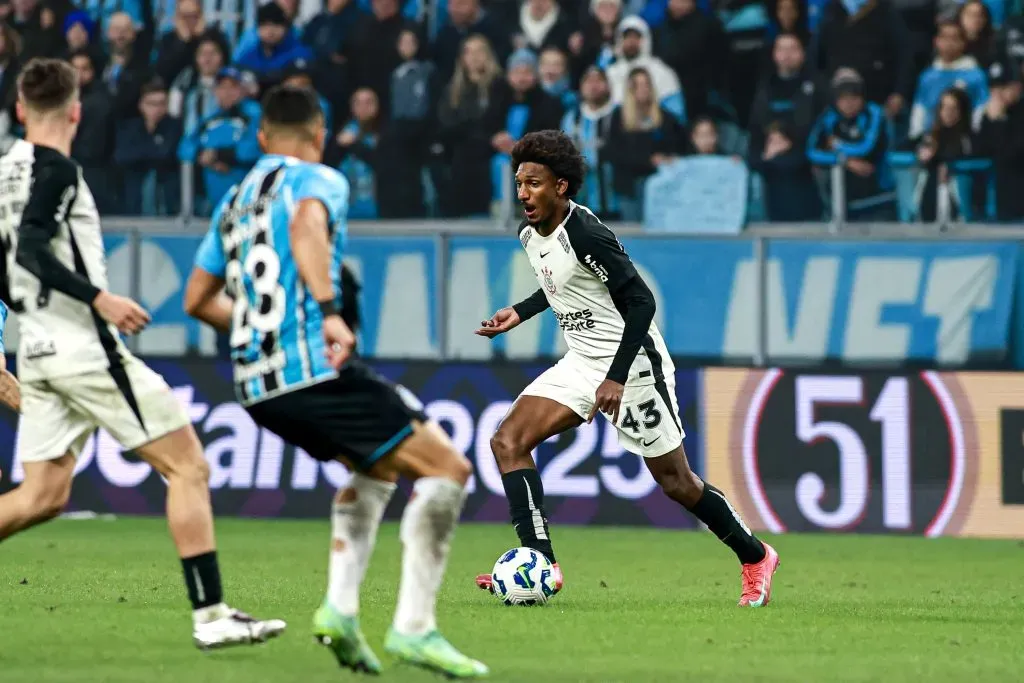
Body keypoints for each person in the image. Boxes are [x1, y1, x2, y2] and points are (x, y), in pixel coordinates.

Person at [182, 84, 488, 678]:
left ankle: (341, 613)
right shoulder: (318, 179)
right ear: (319, 135)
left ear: (262, 137)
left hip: (257, 386)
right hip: (312, 372)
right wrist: (327, 310)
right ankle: (414, 629)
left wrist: (255, 331)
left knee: (375, 471)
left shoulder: (234, 201)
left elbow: (197, 299)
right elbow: (306, 224)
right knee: (448, 469)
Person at [0, 57, 285, 649]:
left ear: (21, 109)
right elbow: (30, 247)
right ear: (76, 112)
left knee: (42, 496)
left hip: (36, 349)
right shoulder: (59, 171)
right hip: (83, 348)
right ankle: (212, 616)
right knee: (188, 467)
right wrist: (100, 299)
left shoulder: (3, 176)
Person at [473, 129, 780, 608]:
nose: (523, 194)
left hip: (633, 366)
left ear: (561, 186)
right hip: (581, 361)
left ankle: (757, 556)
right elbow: (561, 284)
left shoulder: (586, 234)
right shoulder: (530, 234)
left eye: (533, 184)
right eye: (519, 184)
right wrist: (520, 311)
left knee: (677, 482)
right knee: (507, 442)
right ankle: (540, 564)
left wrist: (615, 377)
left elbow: (641, 302)